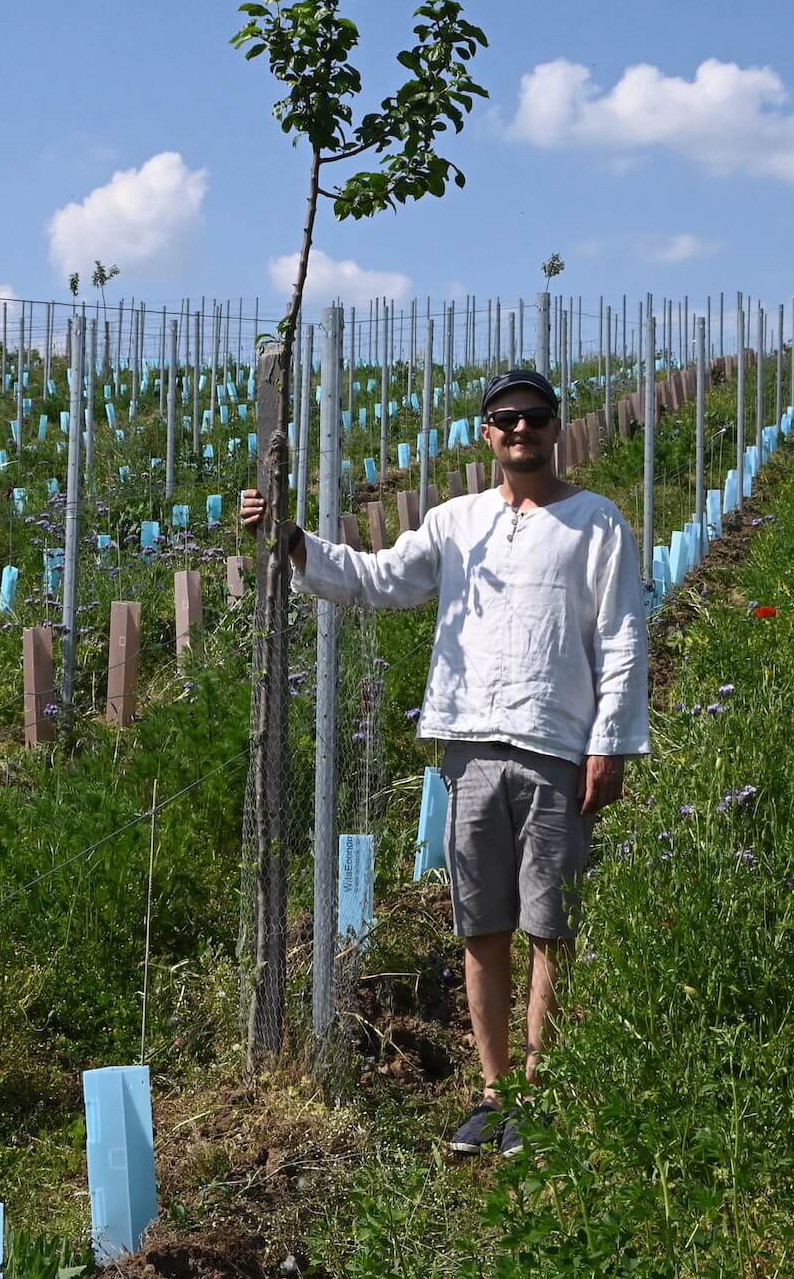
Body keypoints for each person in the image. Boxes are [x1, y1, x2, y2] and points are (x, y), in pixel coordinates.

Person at [240, 367, 648, 1159]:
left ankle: (542, 1087)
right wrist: (292, 540)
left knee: (549, 927)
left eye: (533, 417)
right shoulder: (456, 522)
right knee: (482, 927)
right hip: (468, 747)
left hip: (557, 748)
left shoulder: (598, 523)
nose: (520, 430)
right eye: (506, 419)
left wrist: (610, 742)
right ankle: (495, 1093)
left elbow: (623, 636)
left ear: (556, 427)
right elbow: (379, 579)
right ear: (485, 435)